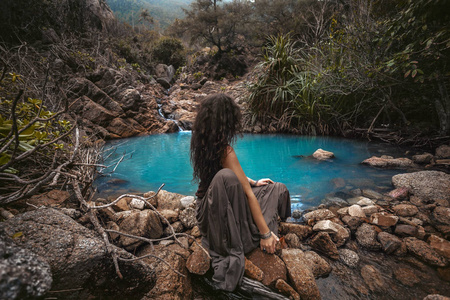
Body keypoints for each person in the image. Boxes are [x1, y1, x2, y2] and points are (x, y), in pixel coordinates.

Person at [190, 93, 291, 291]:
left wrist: (253, 181)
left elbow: (233, 177)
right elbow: (246, 194)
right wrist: (264, 234)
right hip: (212, 215)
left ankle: (283, 225)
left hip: (208, 207)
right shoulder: (224, 150)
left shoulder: (202, 142)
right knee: (232, 180)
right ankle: (256, 234)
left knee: (275, 187)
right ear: (227, 121)